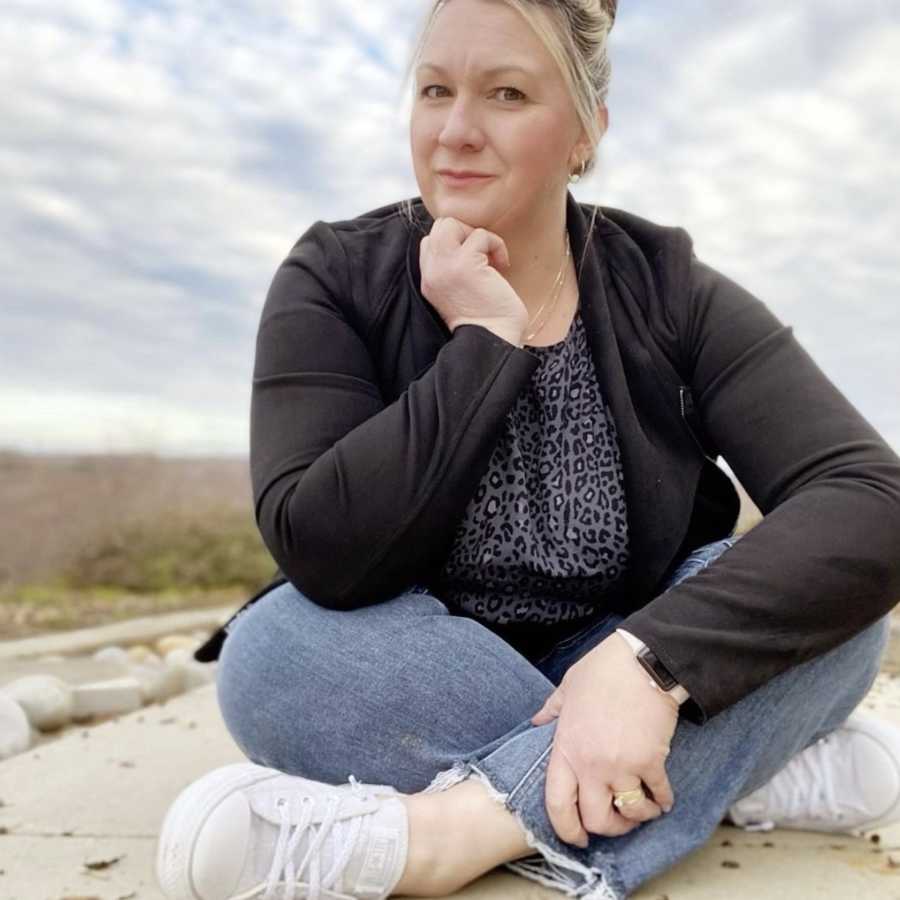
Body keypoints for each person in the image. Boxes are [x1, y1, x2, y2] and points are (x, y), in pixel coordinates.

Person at [155, 1, 900, 898]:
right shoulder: (335, 276)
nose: (456, 131)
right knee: (276, 653)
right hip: (418, 660)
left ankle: (441, 836)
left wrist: (648, 666)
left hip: (627, 654)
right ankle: (722, 775)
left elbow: (871, 495)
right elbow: (322, 550)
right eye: (436, 90)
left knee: (844, 613)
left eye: (507, 93)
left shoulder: (669, 287)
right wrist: (485, 345)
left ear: (586, 132)